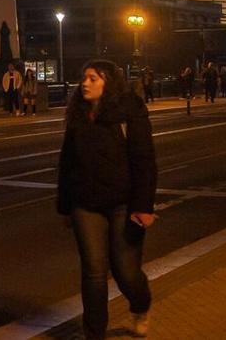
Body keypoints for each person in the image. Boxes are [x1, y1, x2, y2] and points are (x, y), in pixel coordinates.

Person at [57, 59, 157, 339]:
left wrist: (143, 207)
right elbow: (67, 162)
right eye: (84, 78)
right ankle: (94, 333)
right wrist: (65, 206)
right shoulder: (77, 115)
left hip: (123, 203)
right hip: (85, 203)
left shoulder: (130, 112)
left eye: (93, 78)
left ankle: (141, 305)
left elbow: (144, 161)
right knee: (94, 272)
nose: (85, 83)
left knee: (126, 272)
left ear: (108, 83)